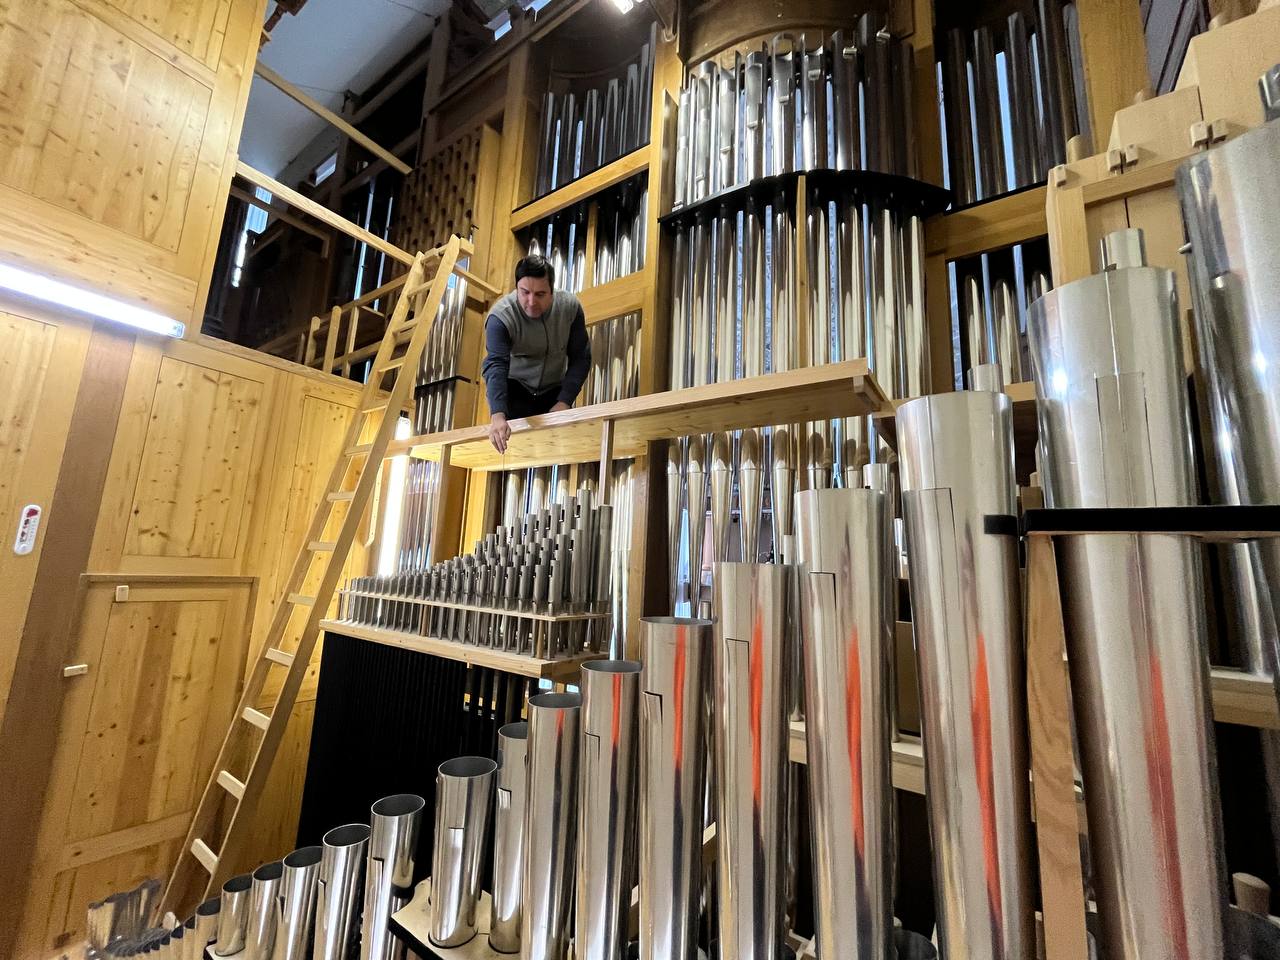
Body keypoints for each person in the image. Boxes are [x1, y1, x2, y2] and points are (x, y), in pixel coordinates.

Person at [481, 255, 591, 453]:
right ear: (516, 288)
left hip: (554, 391)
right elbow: (495, 365)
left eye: (540, 294)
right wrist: (497, 415)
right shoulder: (500, 317)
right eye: (524, 293)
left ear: (552, 291)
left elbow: (581, 357)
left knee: (556, 450)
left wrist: (565, 401)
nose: (531, 302)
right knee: (514, 451)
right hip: (515, 390)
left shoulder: (570, 308)